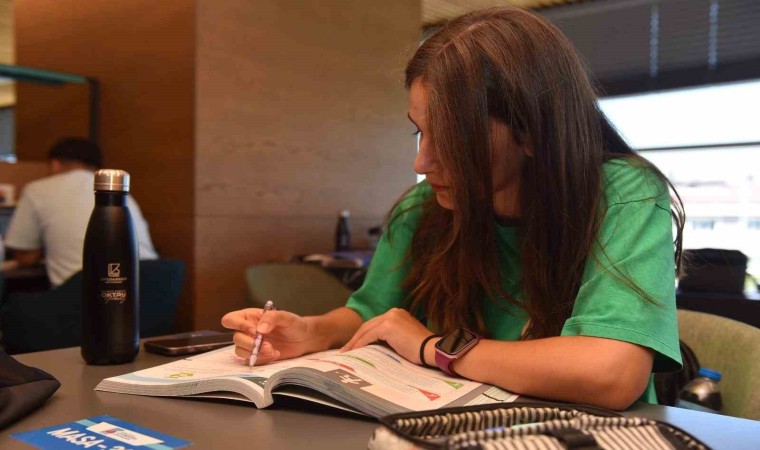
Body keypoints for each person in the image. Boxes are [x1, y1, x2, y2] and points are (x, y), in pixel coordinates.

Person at [222, 6, 685, 410]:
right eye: (419, 132)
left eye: (450, 137)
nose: (421, 163)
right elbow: (373, 314)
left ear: (530, 132)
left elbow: (610, 372)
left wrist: (433, 347)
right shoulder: (424, 206)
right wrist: (313, 331)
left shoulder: (623, 193)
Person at [4, 137, 158, 286]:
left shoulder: (38, 189)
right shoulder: (118, 190)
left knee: (15, 301)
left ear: (55, 164)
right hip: (154, 281)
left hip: (89, 288)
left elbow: (26, 257)